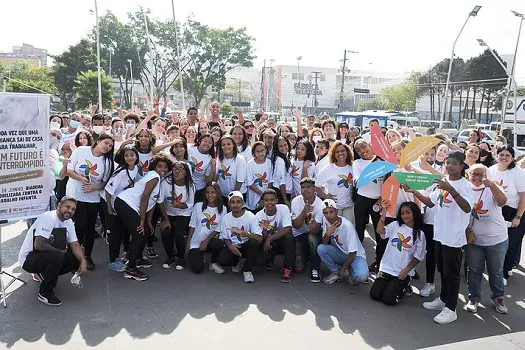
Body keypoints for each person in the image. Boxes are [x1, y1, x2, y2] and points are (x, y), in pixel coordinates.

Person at [410, 151, 474, 325]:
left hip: (453, 238)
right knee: (442, 271)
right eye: (447, 162)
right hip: (439, 235)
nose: (449, 166)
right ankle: (443, 299)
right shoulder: (442, 183)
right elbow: (431, 202)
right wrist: (414, 191)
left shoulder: (464, 185)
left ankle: (451, 308)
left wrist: (452, 190)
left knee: (452, 274)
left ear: (462, 166)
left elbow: (467, 208)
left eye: (454, 163)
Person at [18, 196, 88, 306]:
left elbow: (74, 244)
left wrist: (83, 261)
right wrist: (60, 252)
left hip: (44, 256)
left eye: (73, 209)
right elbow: (38, 244)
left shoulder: (68, 221)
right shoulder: (48, 217)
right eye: (67, 207)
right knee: (58, 256)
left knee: (78, 255)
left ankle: (45, 273)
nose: (70, 211)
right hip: (28, 259)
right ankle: (45, 293)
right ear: (59, 205)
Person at [115, 154, 173, 281]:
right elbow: (145, 197)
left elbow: (152, 203)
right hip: (125, 203)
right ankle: (130, 269)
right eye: (159, 166)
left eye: (165, 167)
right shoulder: (154, 176)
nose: (162, 169)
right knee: (138, 234)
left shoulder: (158, 180)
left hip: (130, 205)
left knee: (146, 230)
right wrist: (141, 220)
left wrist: (148, 222)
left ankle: (138, 259)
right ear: (154, 167)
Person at [66, 134, 114, 270]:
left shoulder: (107, 161)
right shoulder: (81, 151)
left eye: (110, 146)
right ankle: (75, 257)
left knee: (89, 228)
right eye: (105, 143)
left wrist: (94, 187)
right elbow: (68, 170)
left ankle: (87, 256)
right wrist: (81, 178)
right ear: (98, 141)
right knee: (79, 226)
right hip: (75, 196)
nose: (107, 147)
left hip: (93, 199)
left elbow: (104, 182)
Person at [465, 164, 509, 314]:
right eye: (474, 175)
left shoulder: (493, 186)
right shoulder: (465, 189)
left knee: (496, 271)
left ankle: (498, 298)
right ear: (469, 175)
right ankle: (474, 299)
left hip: (497, 239)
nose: (477, 178)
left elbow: (503, 201)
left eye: (480, 175)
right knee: (474, 270)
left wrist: (491, 186)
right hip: (474, 241)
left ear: (486, 175)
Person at [371, 201, 426, 305]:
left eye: (408, 212)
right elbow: (379, 230)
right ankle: (391, 286)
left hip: (401, 273)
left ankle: (405, 286)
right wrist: (384, 212)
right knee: (375, 294)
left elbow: (418, 257)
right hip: (387, 269)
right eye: (402, 213)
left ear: (415, 213)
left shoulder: (419, 234)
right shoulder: (396, 225)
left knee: (388, 300)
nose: (405, 215)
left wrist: (406, 271)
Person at [487, 145, 525, 283]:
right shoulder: (491, 170)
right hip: (498, 211)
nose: (504, 157)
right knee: (497, 243)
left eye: (507, 155)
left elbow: (523, 197)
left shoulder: (518, 173)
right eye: (501, 154)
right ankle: (497, 269)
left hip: (516, 210)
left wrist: (518, 217)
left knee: (511, 243)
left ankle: (504, 274)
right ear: (497, 156)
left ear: (512, 158)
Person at [317, 199, 369, 285]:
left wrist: (344, 268)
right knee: (321, 248)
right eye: (326, 213)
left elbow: (353, 252)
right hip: (341, 252)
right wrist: (327, 234)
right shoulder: (325, 220)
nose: (329, 216)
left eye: (331, 212)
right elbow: (324, 242)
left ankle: (350, 271)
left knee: (362, 276)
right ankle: (336, 272)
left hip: (355, 255)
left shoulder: (347, 226)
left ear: (336, 212)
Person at [216, 191, 262, 283]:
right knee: (222, 260)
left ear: (243, 203)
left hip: (246, 246)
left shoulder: (251, 216)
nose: (235, 205)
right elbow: (225, 237)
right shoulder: (226, 218)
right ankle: (238, 261)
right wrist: (230, 246)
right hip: (233, 247)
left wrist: (244, 233)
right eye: (232, 202)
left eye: (238, 202)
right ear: (229, 204)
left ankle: (247, 271)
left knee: (254, 243)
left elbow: (259, 238)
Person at [159, 161, 195, 270]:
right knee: (165, 231)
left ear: (186, 173)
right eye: (175, 169)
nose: (177, 172)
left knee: (178, 233)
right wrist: (165, 219)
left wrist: (181, 205)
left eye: (180, 169)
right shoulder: (166, 183)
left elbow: (190, 204)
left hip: (184, 213)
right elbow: (160, 201)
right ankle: (170, 256)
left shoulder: (190, 185)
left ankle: (181, 257)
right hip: (168, 213)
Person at [186, 183, 227, 274]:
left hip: (211, 240)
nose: (210, 195)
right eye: (207, 192)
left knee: (219, 243)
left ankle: (213, 262)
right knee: (197, 269)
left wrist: (206, 241)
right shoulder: (198, 206)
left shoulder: (223, 209)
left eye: (213, 192)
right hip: (197, 242)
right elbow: (192, 225)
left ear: (217, 194)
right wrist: (188, 243)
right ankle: (200, 255)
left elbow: (219, 229)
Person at [256, 189, 295, 283]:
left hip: (281, 241)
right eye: (266, 200)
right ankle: (269, 259)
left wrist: (270, 238)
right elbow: (259, 237)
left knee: (289, 237)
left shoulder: (284, 208)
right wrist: (265, 233)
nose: (269, 202)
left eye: (272, 200)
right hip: (267, 243)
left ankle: (287, 269)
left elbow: (288, 229)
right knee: (259, 262)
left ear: (277, 201)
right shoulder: (258, 216)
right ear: (263, 202)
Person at [291, 178, 324, 282]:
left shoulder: (320, 204)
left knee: (312, 238)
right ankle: (306, 254)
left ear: (314, 189)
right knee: (298, 268)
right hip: (299, 235)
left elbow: (316, 230)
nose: (305, 190)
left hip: (312, 234)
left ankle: (315, 268)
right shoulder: (296, 201)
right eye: (303, 187)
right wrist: (304, 212)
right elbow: (296, 225)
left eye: (309, 187)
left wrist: (313, 224)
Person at [245, 142, 273, 212]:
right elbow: (250, 183)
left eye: (262, 150)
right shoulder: (249, 164)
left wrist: (266, 195)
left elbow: (270, 181)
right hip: (253, 198)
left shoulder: (270, 163)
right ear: (254, 153)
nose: (260, 153)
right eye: (257, 151)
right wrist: (262, 194)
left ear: (266, 150)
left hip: (266, 198)